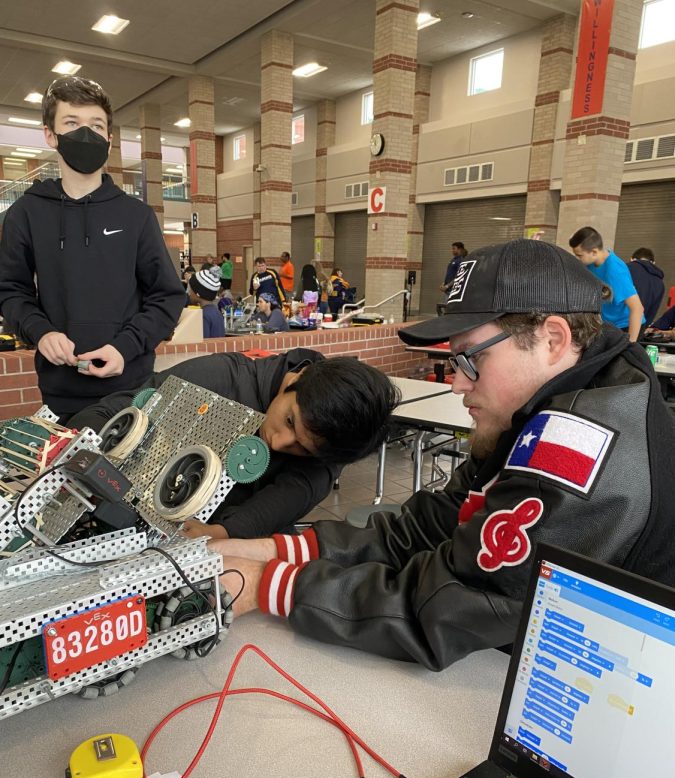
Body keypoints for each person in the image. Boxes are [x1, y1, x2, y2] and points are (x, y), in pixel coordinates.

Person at [211, 239, 675, 671]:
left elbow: (444, 605)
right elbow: (437, 522)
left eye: (471, 359)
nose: (456, 383)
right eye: (453, 362)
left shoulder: (576, 449)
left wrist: (263, 583)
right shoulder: (558, 395)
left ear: (552, 340)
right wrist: (276, 548)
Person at [0, 76, 185, 419]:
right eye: (72, 123)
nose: (85, 134)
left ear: (109, 138)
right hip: (60, 393)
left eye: (96, 125)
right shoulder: (26, 213)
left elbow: (167, 297)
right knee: (68, 473)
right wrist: (41, 333)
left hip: (132, 388)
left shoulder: (136, 216)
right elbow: (10, 291)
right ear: (50, 135)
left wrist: (124, 347)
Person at [67, 350, 398, 539]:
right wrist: (77, 453)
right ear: (293, 381)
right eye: (289, 421)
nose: (280, 443)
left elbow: (287, 498)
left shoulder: (334, 439)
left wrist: (223, 532)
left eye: (303, 449)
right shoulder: (220, 377)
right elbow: (114, 411)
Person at [569, 226, 644, 342]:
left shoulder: (614, 271)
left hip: (625, 327)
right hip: (607, 325)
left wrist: (630, 345)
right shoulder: (591, 264)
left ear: (594, 252)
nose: (577, 259)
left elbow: (637, 308)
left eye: (579, 255)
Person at [627, 248, 665, 328]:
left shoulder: (627, 269)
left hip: (617, 325)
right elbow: (652, 311)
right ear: (653, 263)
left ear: (632, 259)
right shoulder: (660, 283)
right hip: (639, 327)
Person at [188, 268, 225, 338]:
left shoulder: (202, 315)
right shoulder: (216, 311)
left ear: (198, 293)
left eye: (191, 289)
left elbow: (202, 345)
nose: (189, 292)